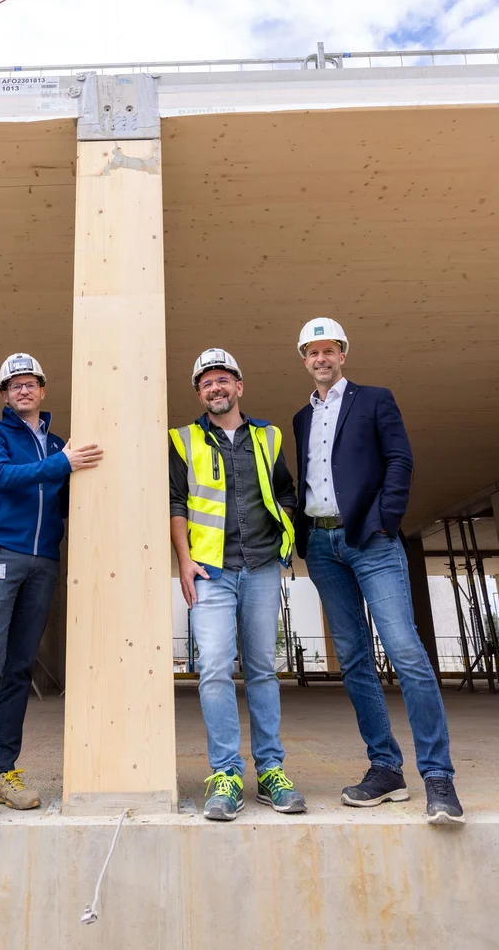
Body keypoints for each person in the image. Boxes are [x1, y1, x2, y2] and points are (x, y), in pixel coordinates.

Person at [292, 317, 463, 825]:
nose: (321, 360)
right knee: (354, 659)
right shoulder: (302, 418)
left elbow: (399, 460)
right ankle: (386, 768)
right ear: (304, 360)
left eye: (329, 351)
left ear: (343, 354)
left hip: (372, 539)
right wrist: (304, 538)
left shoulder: (375, 399)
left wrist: (386, 520)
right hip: (322, 545)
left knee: (406, 650)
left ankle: (438, 776)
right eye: (312, 353)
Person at [0, 353, 103, 826]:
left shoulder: (59, 443)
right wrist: (62, 462)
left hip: (43, 562)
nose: (22, 390)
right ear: (3, 395)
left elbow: (65, 501)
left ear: (42, 389)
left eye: (30, 383)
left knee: (19, 669)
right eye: (13, 385)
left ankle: (3, 772)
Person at [169, 348, 306, 821]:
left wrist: (283, 528)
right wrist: (184, 562)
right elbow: (177, 504)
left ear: (239, 386)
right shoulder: (183, 440)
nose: (215, 387)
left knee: (264, 670)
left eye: (223, 379)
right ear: (199, 393)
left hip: (263, 566)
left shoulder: (267, 436)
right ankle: (226, 772)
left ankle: (271, 771)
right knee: (213, 670)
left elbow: (286, 490)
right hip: (211, 570)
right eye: (206, 382)